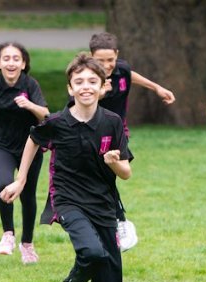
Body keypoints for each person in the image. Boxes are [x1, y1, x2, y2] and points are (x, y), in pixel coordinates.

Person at [1, 53, 132, 282]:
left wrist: (115, 163)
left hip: (104, 205)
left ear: (103, 88)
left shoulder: (113, 123)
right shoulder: (57, 123)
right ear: (71, 89)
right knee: (92, 253)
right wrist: (20, 181)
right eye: (79, 82)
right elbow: (33, 140)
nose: (85, 87)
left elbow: (126, 172)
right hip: (68, 200)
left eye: (92, 82)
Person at [63, 32, 176, 251]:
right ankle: (115, 221)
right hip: (89, 133)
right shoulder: (87, 80)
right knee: (101, 177)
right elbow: (73, 106)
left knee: (111, 174)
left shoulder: (121, 69)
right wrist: (99, 94)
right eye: (100, 60)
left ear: (117, 55)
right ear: (91, 56)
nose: (106, 65)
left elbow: (130, 74)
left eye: (110, 60)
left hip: (116, 132)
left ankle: (119, 222)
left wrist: (157, 88)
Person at [0, 42, 49, 263]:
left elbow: (46, 115)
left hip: (30, 147)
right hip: (1, 146)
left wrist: (30, 105)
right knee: (5, 182)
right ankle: (8, 235)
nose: (11, 62)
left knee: (28, 195)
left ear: (23, 64)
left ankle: (28, 244)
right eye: (6, 58)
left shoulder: (30, 84)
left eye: (16, 58)